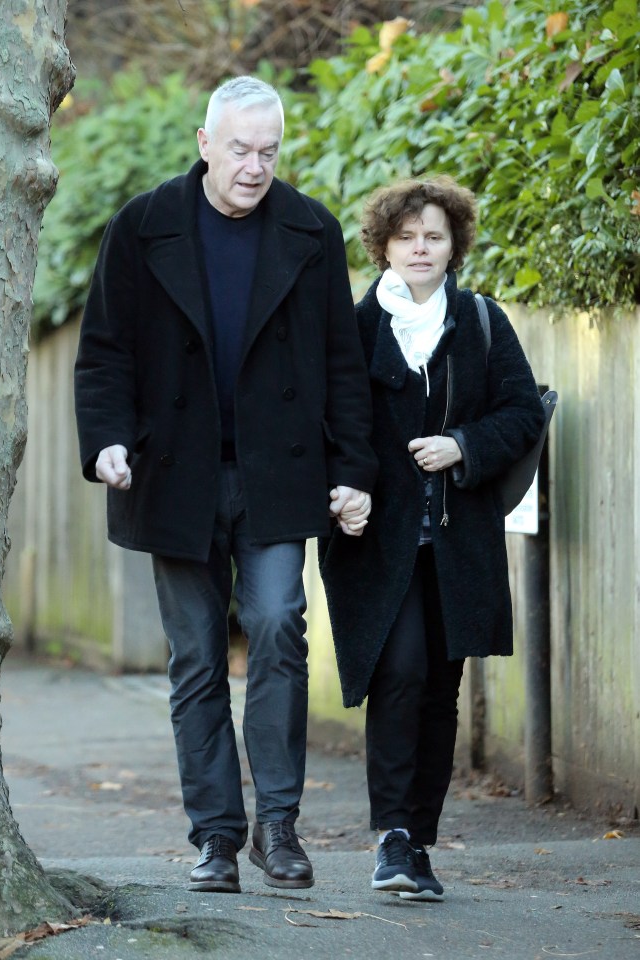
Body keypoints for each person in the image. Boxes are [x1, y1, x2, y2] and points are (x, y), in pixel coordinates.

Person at [74, 76, 377, 894]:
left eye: (268, 151)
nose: (254, 166)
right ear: (205, 143)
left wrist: (353, 470)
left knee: (280, 624)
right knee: (198, 657)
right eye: (239, 149)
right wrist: (105, 440)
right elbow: (105, 350)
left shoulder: (311, 229)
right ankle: (214, 835)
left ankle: (277, 826)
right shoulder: (143, 226)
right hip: (174, 475)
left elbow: (343, 364)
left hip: (277, 474)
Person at [319, 176, 545, 902]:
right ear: (384, 245)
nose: (421, 248)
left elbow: (521, 413)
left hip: (458, 540)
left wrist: (461, 445)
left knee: (441, 689)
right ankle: (390, 835)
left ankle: (419, 842)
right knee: (401, 671)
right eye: (407, 236)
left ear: (454, 247)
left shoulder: (481, 321)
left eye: (435, 237)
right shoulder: (353, 331)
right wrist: (340, 490)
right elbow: (323, 423)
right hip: (375, 542)